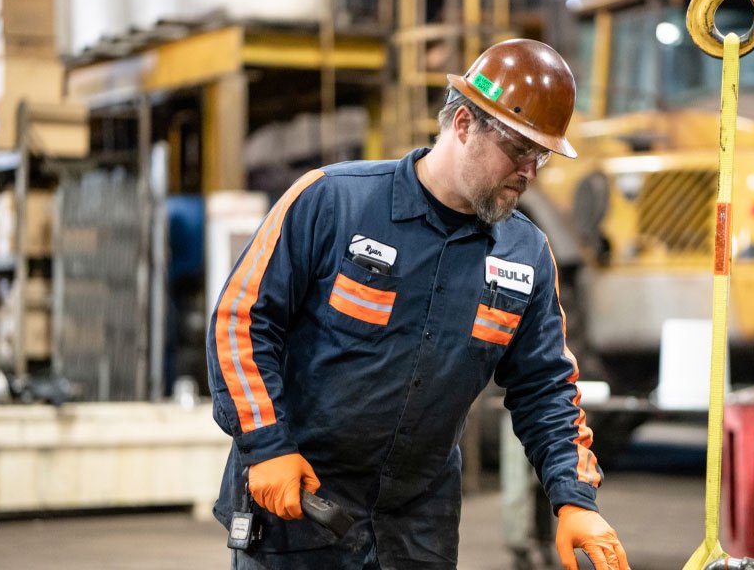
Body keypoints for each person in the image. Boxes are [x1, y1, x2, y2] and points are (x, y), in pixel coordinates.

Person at [207, 38, 631, 570]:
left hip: (417, 529)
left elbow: (544, 387)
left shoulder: (525, 253)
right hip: (302, 506)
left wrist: (575, 499)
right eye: (519, 149)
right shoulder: (332, 202)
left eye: (540, 154)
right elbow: (241, 321)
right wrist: (267, 445)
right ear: (463, 125)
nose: (530, 171)